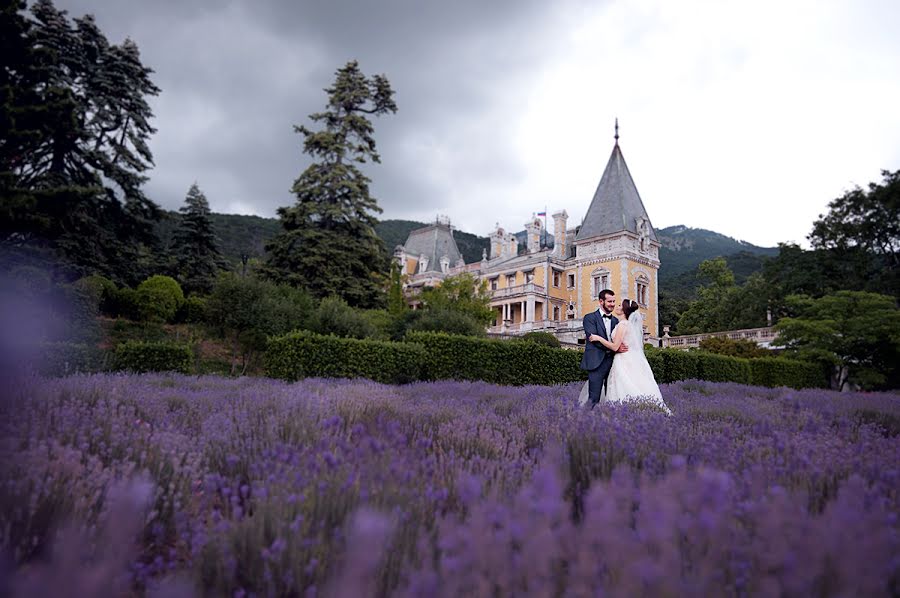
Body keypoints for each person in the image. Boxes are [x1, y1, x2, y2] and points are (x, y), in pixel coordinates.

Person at [581, 298, 673, 415]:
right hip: (628, 359)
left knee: (621, 385)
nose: (616, 306)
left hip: (622, 360)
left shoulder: (622, 325)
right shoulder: (627, 324)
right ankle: (641, 410)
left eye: (619, 305)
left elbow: (615, 347)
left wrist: (598, 338)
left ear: (624, 310)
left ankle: (622, 413)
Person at [578, 289, 628, 409]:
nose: (612, 304)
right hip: (596, 362)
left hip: (614, 363)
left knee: (613, 396)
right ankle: (588, 424)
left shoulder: (617, 321)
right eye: (609, 301)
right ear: (601, 301)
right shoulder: (589, 318)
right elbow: (593, 339)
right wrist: (615, 348)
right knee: (593, 398)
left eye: (614, 301)